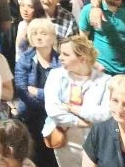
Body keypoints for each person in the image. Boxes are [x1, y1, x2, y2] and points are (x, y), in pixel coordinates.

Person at [42, 35, 111, 167]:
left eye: (66, 54)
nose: (60, 57)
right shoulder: (55, 76)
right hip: (66, 142)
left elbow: (104, 114)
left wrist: (72, 108)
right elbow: (52, 109)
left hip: (94, 142)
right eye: (60, 53)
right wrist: (79, 122)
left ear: (83, 58)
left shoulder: (105, 81)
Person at [13, 18, 60, 167]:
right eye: (34, 33)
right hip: (30, 116)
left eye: (43, 33)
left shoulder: (61, 61)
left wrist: (39, 93)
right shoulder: (24, 60)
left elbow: (62, 93)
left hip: (55, 117)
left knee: (53, 158)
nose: (38, 37)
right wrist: (50, 99)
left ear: (52, 37)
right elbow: (22, 92)